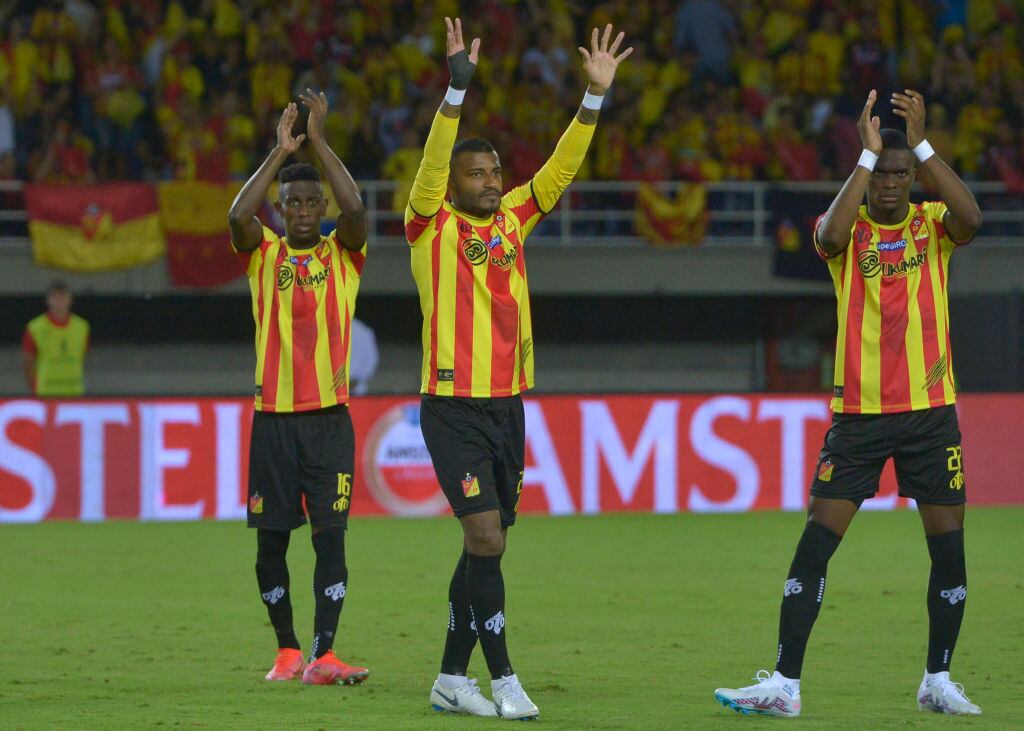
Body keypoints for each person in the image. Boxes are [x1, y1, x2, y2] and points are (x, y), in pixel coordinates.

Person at [714, 89, 983, 718]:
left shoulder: (932, 225)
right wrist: (865, 158)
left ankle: (937, 679)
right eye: (879, 175)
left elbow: (973, 218)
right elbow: (829, 235)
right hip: (859, 419)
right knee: (815, 543)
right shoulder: (847, 229)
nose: (889, 186)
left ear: (912, 179)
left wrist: (920, 144)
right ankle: (785, 683)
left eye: (899, 175)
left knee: (948, 550)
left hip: (929, 413)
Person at [406, 18, 632, 720]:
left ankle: (450, 677)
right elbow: (432, 163)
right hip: (451, 405)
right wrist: (455, 90)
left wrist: (593, 98)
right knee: (485, 537)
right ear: (453, 181)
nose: (487, 181)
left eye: (493, 172)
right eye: (474, 173)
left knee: (487, 546)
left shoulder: (511, 218)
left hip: (507, 407)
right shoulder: (428, 224)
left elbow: (559, 171)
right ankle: (503, 677)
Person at [227, 89, 370, 686]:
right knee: (271, 545)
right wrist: (280, 152)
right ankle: (287, 650)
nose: (307, 209)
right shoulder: (263, 256)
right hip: (275, 422)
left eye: (314, 200)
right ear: (282, 210)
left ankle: (324, 653)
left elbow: (358, 208)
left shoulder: (345, 255)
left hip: (330, 421)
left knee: (331, 539)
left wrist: (321, 143)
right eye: (294, 202)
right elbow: (238, 217)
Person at [22, 279, 90, 396]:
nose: (59, 301)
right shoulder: (35, 328)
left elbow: (83, 358)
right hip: (46, 393)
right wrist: (35, 387)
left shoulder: (82, 327)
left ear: (70, 299)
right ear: (48, 300)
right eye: (55, 296)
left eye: (63, 296)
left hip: (74, 392)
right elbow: (28, 363)